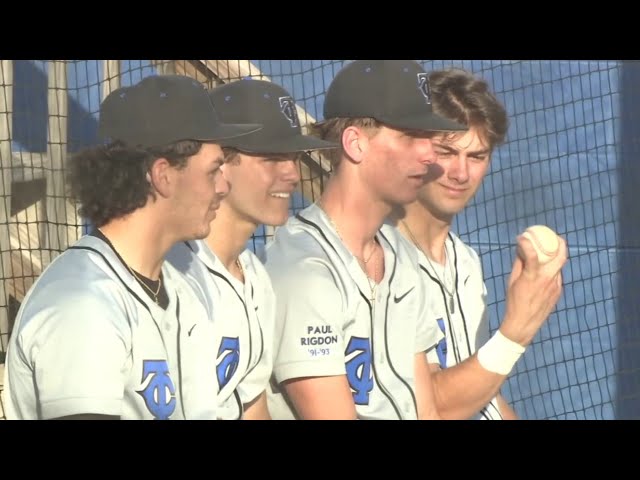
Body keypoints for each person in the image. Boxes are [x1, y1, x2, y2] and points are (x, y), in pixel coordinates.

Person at [3, 74, 261, 420]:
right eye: (213, 170)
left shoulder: (182, 291)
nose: (222, 188)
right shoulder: (84, 306)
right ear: (163, 175)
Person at [264, 60, 467, 420]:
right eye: (409, 135)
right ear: (355, 143)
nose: (430, 153)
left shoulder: (401, 255)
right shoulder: (301, 267)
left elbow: (426, 412)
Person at [392, 68, 568, 419]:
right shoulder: (381, 260)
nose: (461, 173)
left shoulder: (465, 261)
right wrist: (517, 329)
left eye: (476, 157)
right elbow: (434, 406)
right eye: (446, 152)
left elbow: (481, 396)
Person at [167, 79, 336, 420]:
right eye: (272, 158)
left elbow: (251, 407)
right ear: (221, 163)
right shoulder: (173, 272)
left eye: (293, 157)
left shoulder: (256, 278)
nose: (291, 173)